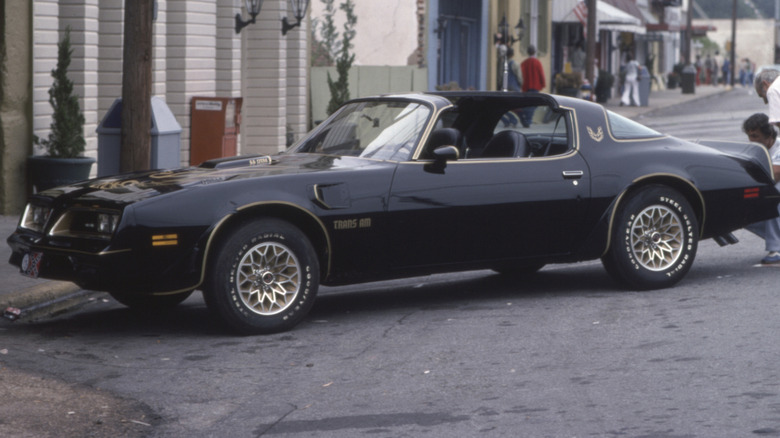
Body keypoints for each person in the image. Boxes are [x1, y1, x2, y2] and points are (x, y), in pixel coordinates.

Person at [742, 113, 780, 264]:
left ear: (769, 134)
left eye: (756, 136)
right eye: (750, 136)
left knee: (771, 196)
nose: (752, 140)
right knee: (742, 211)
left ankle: (776, 247)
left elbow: (775, 175)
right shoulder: (755, 151)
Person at [520, 45, 546, 126]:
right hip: (535, 86)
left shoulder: (524, 63)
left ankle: (526, 118)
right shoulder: (537, 62)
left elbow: (521, 75)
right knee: (533, 103)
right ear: (534, 52)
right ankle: (528, 119)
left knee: (527, 103)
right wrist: (543, 84)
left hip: (526, 86)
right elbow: (541, 74)